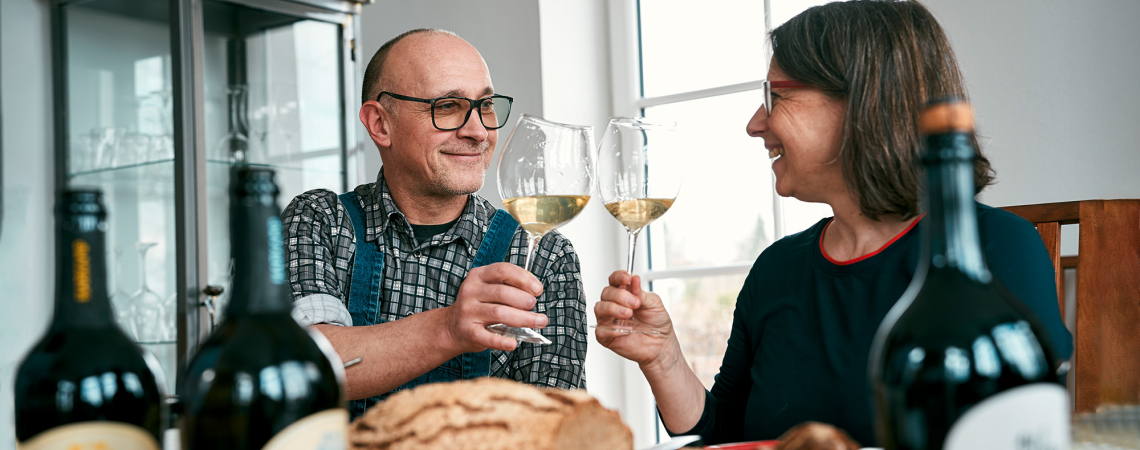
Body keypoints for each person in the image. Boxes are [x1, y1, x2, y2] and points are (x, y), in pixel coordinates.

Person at [593, 1, 1072, 446]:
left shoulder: (997, 247)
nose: (754, 123)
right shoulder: (779, 268)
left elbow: (1030, 430)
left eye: (774, 97)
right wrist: (664, 358)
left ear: (864, 102)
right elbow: (729, 433)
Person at [282, 29, 586, 419]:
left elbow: (555, 426)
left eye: (487, 105)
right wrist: (450, 328)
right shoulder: (318, 221)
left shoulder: (545, 255)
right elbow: (303, 370)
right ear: (380, 124)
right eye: (447, 106)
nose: (478, 131)